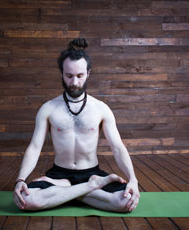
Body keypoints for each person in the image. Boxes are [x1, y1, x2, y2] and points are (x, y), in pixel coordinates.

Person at [13, 38, 140, 213]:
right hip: (58, 174)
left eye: (79, 76)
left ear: (88, 73)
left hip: (90, 171)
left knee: (124, 203)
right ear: (62, 73)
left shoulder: (101, 109)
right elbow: (35, 147)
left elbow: (117, 147)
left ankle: (63, 191)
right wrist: (20, 180)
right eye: (69, 76)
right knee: (27, 200)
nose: (74, 82)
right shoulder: (48, 108)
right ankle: (89, 188)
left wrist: (133, 179)